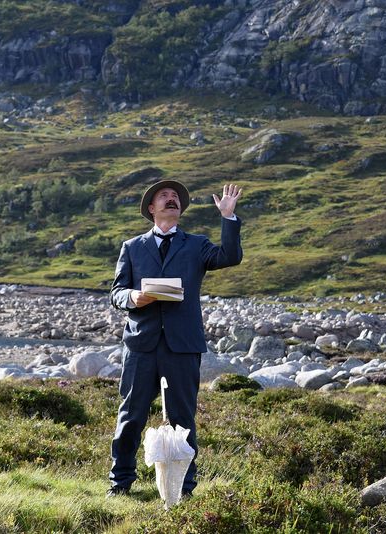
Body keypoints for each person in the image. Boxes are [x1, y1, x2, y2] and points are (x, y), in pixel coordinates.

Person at [107, 179, 243, 497]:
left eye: (176, 197)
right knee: (131, 417)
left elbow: (230, 256)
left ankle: (185, 488)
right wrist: (133, 297)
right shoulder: (132, 247)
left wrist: (228, 217)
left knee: (183, 419)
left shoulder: (197, 245)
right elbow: (116, 293)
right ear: (151, 208)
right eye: (164, 196)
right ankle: (120, 483)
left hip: (182, 346)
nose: (172, 199)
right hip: (141, 345)